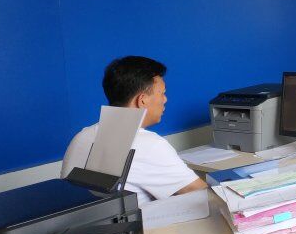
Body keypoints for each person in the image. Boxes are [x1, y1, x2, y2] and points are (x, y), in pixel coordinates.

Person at [61, 56, 207, 205]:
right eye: (162, 93)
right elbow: (204, 195)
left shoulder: (81, 137)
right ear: (142, 100)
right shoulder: (150, 145)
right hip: (136, 221)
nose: (165, 99)